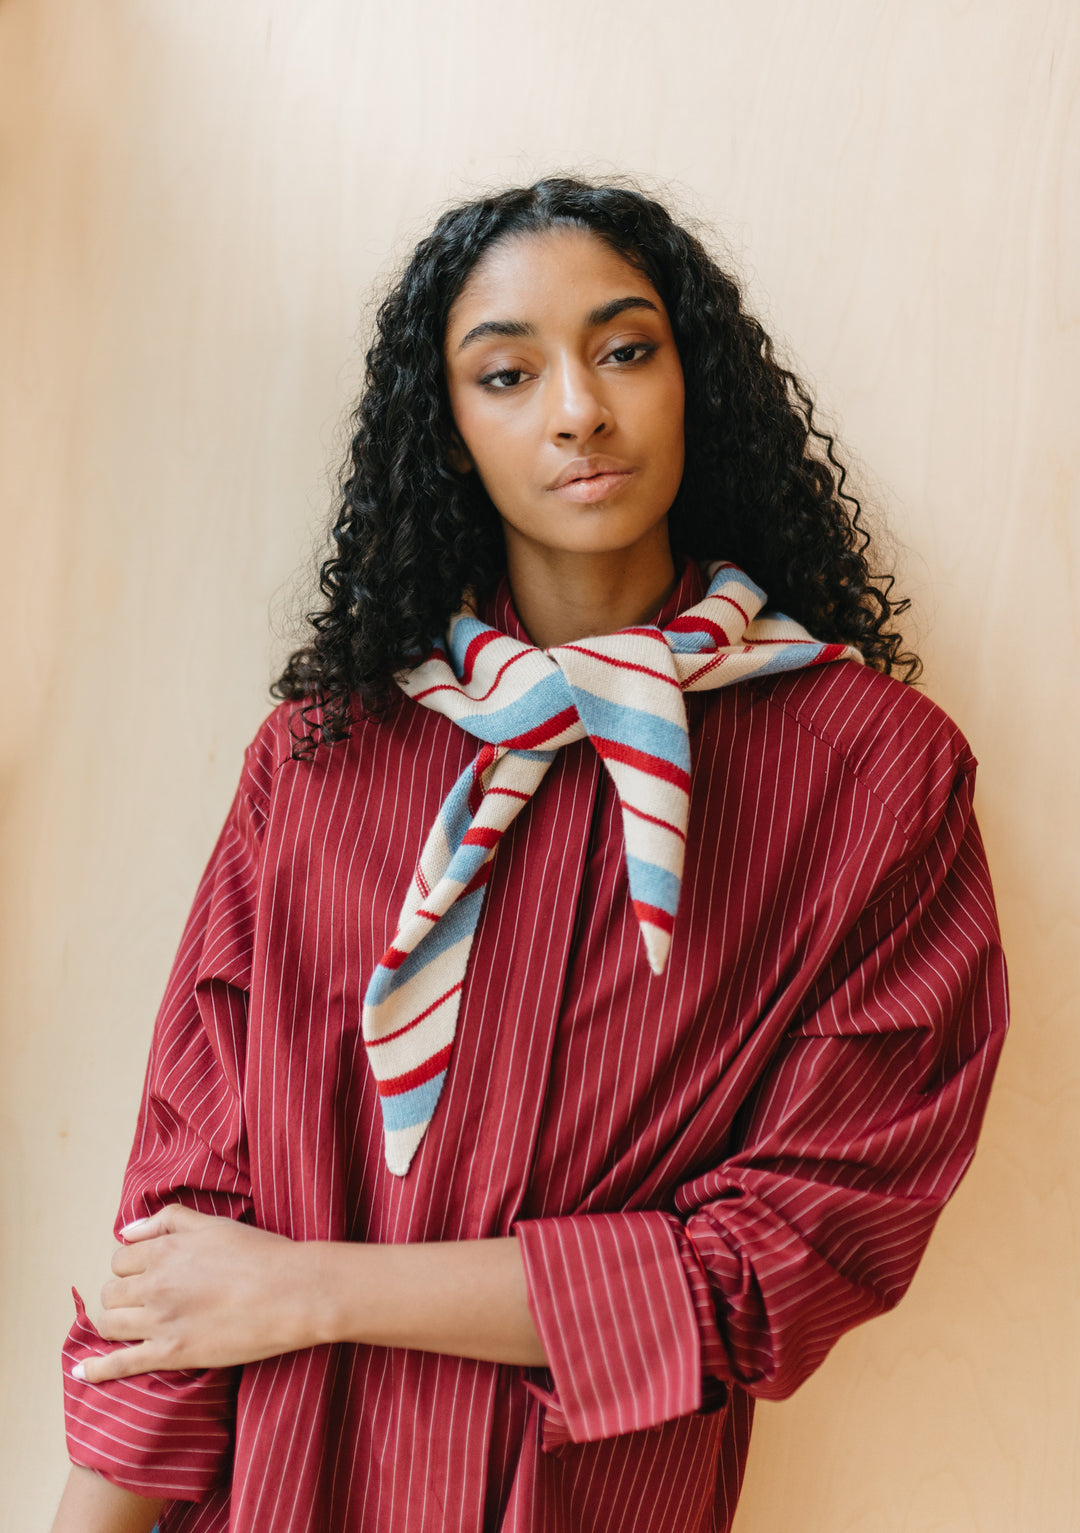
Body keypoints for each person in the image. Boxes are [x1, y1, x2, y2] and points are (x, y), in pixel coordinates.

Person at [51, 177, 1008, 1533]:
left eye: (625, 349)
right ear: (447, 430)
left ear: (698, 382)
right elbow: (183, 1226)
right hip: (269, 1493)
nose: (578, 410)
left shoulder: (871, 777)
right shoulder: (322, 757)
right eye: (507, 372)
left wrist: (313, 1284)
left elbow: (789, 1257)